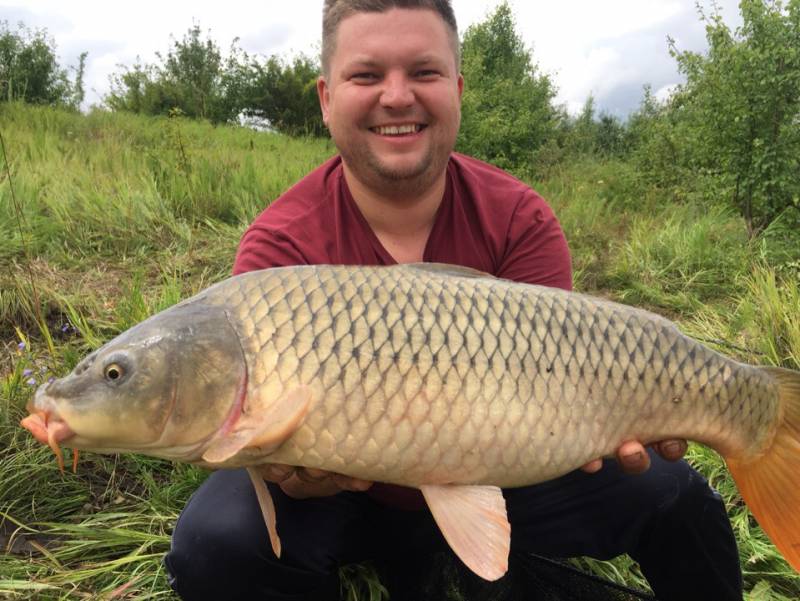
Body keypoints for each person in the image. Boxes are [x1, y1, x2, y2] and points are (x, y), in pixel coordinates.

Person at [164, 1, 743, 599]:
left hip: (512, 475)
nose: (397, 97)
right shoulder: (280, 245)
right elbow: (248, 433)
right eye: (366, 76)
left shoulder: (519, 218)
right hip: (347, 497)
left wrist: (608, 418)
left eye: (424, 72)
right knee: (217, 542)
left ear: (457, 89)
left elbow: (562, 388)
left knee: (678, 497)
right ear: (326, 97)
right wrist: (284, 471)